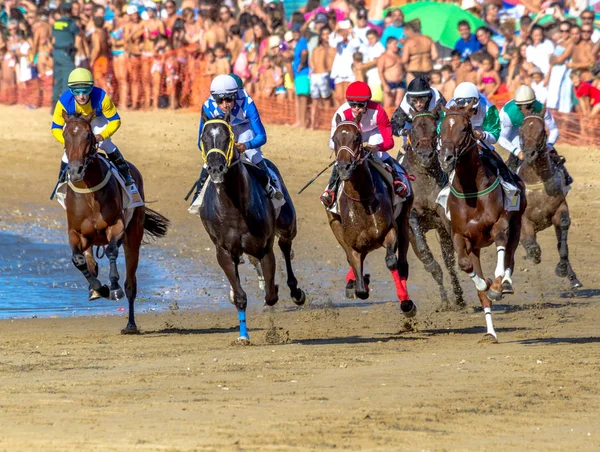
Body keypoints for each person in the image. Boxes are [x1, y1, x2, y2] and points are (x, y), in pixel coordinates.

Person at [194, 74, 283, 202]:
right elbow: (200, 143)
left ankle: (271, 186)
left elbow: (262, 136)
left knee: (253, 154)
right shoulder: (208, 107)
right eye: (220, 101)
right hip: (223, 130)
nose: (225, 105)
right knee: (211, 161)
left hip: (245, 127)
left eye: (229, 99)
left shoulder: (247, 102)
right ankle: (198, 196)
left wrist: (246, 145)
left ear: (236, 95)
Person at [320, 81, 409, 208]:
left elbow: (389, 142)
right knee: (342, 160)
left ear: (368, 102)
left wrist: (377, 147)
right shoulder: (341, 114)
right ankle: (330, 190)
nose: (356, 108)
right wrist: (349, 150)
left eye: (361, 104)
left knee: (380, 155)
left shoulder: (378, 111)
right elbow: (332, 143)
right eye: (352, 104)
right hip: (351, 139)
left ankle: (397, 182)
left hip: (373, 133)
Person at [51, 68, 138, 192]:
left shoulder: (102, 97)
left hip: (96, 120)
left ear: (91, 89)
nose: (81, 96)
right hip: (75, 124)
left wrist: (102, 136)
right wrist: (69, 143)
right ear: (71, 90)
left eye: (85, 91)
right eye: (77, 91)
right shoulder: (64, 101)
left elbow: (115, 120)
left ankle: (126, 175)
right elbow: (55, 128)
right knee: (66, 154)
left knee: (106, 145)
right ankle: (62, 181)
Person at [443, 81, 517, 186]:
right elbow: (440, 129)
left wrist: (483, 135)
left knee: (498, 163)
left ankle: (509, 184)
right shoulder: (449, 107)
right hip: (458, 139)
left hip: (480, 137)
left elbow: (495, 135)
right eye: (462, 109)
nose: (467, 113)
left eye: (471, 109)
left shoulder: (488, 108)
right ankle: (443, 187)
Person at [498, 85, 572, 185]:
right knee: (520, 149)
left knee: (543, 147)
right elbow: (502, 137)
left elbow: (554, 130)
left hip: (532, 130)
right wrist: (517, 152)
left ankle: (564, 175)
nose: (525, 109)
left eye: (528, 106)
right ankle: (508, 179)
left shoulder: (541, 108)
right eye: (520, 107)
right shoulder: (508, 114)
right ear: (516, 105)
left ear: (533, 103)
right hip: (514, 130)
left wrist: (549, 146)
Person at [391, 77, 446, 142]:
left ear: (429, 97)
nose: (418, 104)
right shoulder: (405, 105)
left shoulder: (437, 98)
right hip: (412, 124)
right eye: (414, 100)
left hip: (433, 123)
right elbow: (394, 124)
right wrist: (403, 131)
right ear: (409, 99)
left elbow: (446, 118)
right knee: (406, 145)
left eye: (423, 100)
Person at [51, 2, 80, 108]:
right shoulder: (71, 23)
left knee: (58, 79)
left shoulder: (56, 23)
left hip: (56, 52)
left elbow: (53, 39)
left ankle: (54, 105)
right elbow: (78, 37)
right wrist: (75, 50)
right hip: (66, 52)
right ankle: (65, 105)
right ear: (70, 11)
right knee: (67, 78)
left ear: (61, 11)